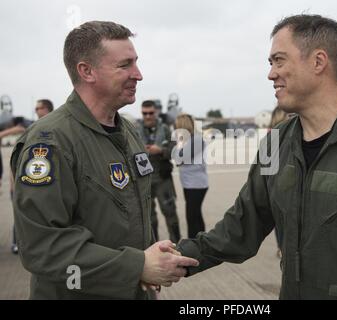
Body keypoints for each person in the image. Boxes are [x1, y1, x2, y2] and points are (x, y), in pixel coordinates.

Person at [177, 14, 337, 299]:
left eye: (279, 61)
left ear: (318, 62)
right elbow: (241, 227)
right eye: (271, 63)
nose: (271, 74)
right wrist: (178, 259)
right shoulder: (276, 144)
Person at [10, 21, 198, 300]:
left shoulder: (129, 133)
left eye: (136, 63)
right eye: (125, 65)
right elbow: (42, 246)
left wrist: (148, 263)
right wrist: (137, 266)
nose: (139, 75)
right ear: (86, 71)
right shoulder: (50, 142)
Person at [7, 100, 53, 254]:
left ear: (46, 109)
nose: (35, 110)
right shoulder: (31, 128)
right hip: (31, 178)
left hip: (49, 181)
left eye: (38, 108)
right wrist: (13, 181)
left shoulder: (58, 127)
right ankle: (18, 243)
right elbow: (17, 157)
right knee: (22, 214)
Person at [137, 100, 181, 243]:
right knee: (149, 218)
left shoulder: (165, 129)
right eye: (145, 113)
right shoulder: (135, 130)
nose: (148, 116)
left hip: (163, 179)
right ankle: (153, 248)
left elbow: (174, 152)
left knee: (170, 214)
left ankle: (177, 246)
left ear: (156, 112)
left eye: (150, 113)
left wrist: (161, 150)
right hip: (144, 180)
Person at [173, 114, 208, 238]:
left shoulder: (196, 140)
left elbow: (178, 159)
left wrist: (180, 141)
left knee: (192, 217)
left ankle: (194, 246)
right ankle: (202, 243)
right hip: (191, 184)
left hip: (196, 185)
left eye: (176, 126)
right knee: (196, 215)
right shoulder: (191, 140)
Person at [268, 106, 288, 259]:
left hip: (276, 184)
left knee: (278, 220)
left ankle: (281, 247)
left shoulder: (271, 135)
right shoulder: (286, 134)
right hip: (285, 182)